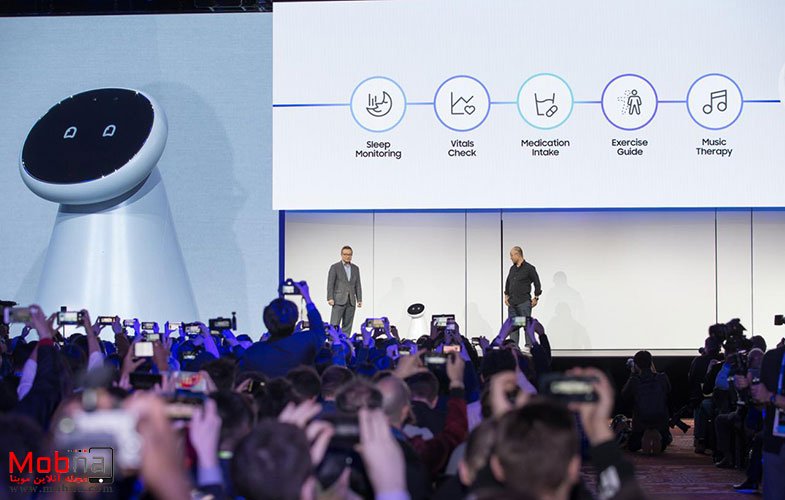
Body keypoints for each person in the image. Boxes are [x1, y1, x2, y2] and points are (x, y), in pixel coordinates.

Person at [240, 280, 326, 378]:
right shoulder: (306, 342)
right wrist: (307, 297)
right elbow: (319, 329)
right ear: (294, 319)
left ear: (266, 321)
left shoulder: (254, 352)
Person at [621, 350, 673, 454]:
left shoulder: (634, 381)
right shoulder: (663, 378)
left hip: (640, 427)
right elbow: (668, 393)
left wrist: (632, 373)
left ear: (636, 365)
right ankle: (660, 436)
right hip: (661, 425)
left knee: (631, 444)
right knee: (665, 440)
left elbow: (624, 395)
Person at [503, 246, 541, 347]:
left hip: (523, 303)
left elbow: (537, 283)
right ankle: (514, 347)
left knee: (526, 325)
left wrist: (536, 297)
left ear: (517, 255)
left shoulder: (529, 268)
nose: (510, 258)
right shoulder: (512, 269)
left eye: (512, 255)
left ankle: (528, 347)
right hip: (513, 304)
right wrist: (506, 295)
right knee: (513, 327)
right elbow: (508, 282)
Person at [327, 245, 362, 334]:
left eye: (349, 254)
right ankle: (333, 341)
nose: (347, 256)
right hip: (338, 300)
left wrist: (359, 299)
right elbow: (330, 284)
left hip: (351, 301)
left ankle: (345, 341)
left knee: (347, 325)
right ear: (341, 255)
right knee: (334, 324)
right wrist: (330, 298)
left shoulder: (355, 268)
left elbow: (358, 284)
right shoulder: (335, 267)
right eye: (345, 254)